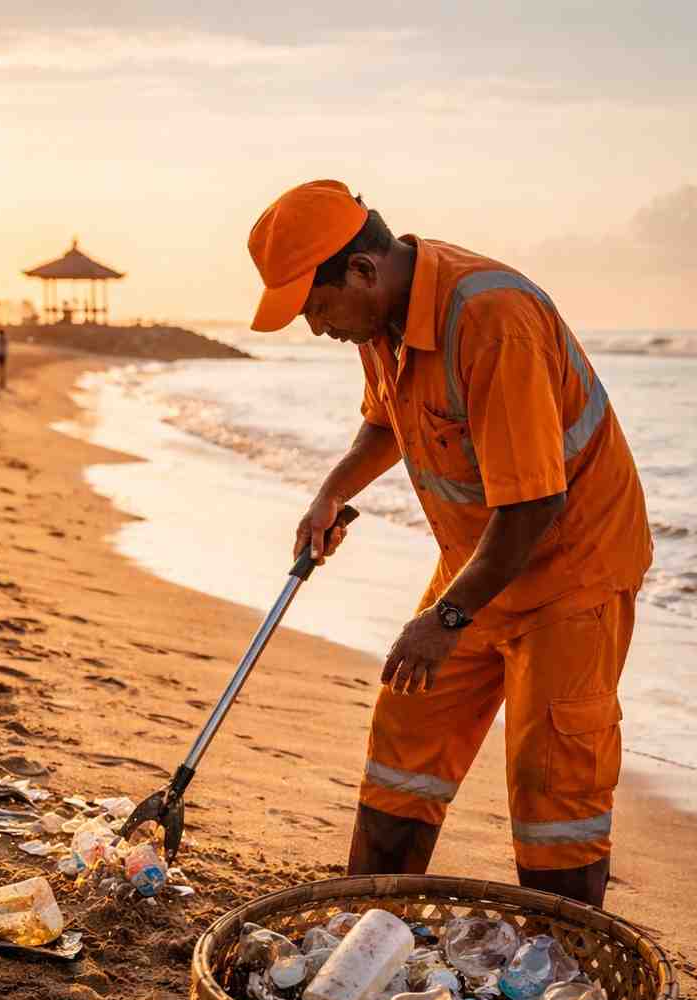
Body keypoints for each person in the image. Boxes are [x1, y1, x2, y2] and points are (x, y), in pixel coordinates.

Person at [247, 180, 652, 909]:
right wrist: (333, 492)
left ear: (363, 272)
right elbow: (388, 422)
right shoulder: (382, 322)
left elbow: (534, 505)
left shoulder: (494, 321)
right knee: (405, 733)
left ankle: (564, 968)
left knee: (552, 784)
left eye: (315, 307)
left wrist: (446, 620)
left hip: (570, 570)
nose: (315, 328)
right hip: (478, 563)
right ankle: (370, 916)